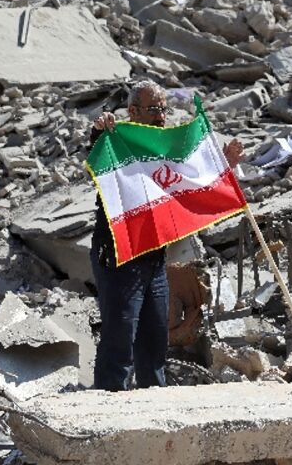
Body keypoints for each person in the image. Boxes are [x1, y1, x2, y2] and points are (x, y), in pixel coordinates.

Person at [88, 81, 243, 391]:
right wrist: (99, 132)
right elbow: (96, 153)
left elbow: (185, 181)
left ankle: (153, 404)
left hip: (154, 259)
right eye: (155, 109)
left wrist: (222, 165)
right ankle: (107, 408)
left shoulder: (163, 150)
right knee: (120, 340)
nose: (162, 117)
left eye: (164, 109)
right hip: (120, 257)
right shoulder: (116, 143)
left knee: (155, 340)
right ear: (133, 111)